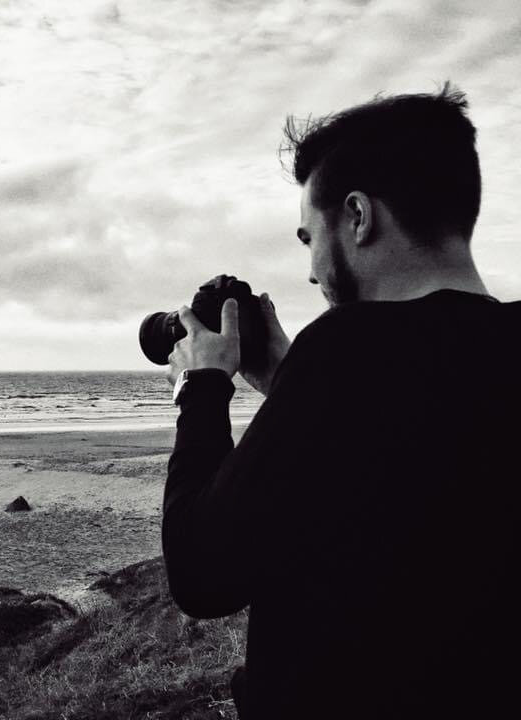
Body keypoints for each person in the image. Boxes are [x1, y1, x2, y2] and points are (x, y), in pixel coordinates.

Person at [162, 83, 521, 719]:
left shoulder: (346, 353)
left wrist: (203, 386)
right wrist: (289, 380)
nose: (310, 271)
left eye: (308, 239)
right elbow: (415, 455)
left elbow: (201, 572)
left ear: (358, 217)